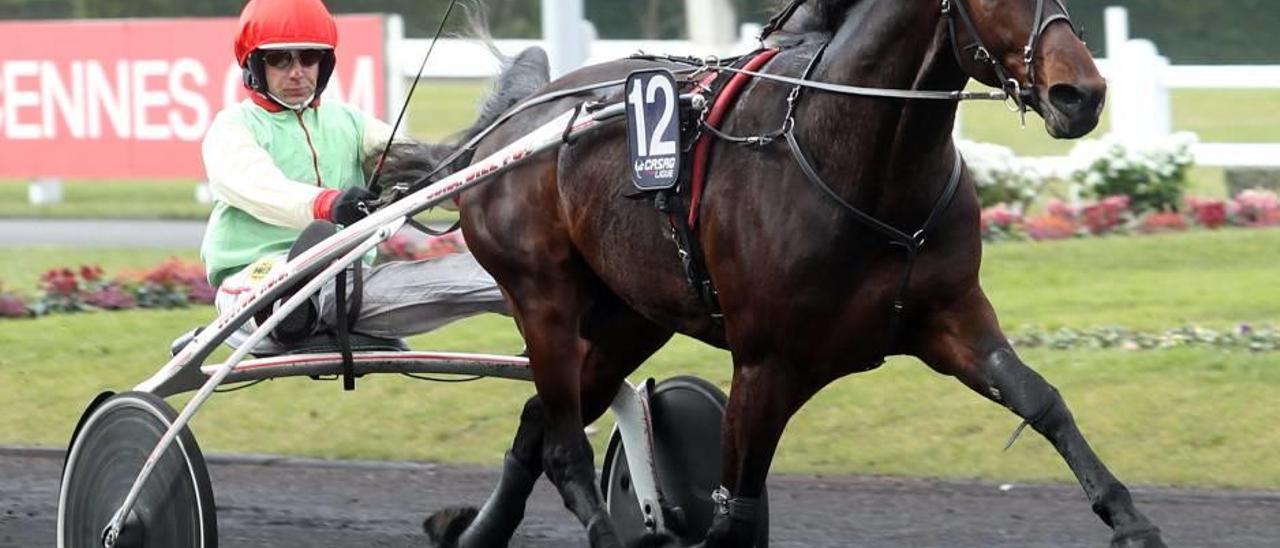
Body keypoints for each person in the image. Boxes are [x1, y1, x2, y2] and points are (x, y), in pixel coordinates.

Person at [200, 0, 507, 353]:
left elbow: (409, 160)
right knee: (292, 283)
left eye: (308, 57)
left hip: (347, 287)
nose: (298, 71)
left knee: (499, 276)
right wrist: (329, 204)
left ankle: (561, 292)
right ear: (255, 65)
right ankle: (294, 301)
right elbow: (260, 186)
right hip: (254, 286)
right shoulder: (234, 127)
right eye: (280, 59)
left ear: (324, 64)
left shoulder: (349, 122)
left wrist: (460, 183)